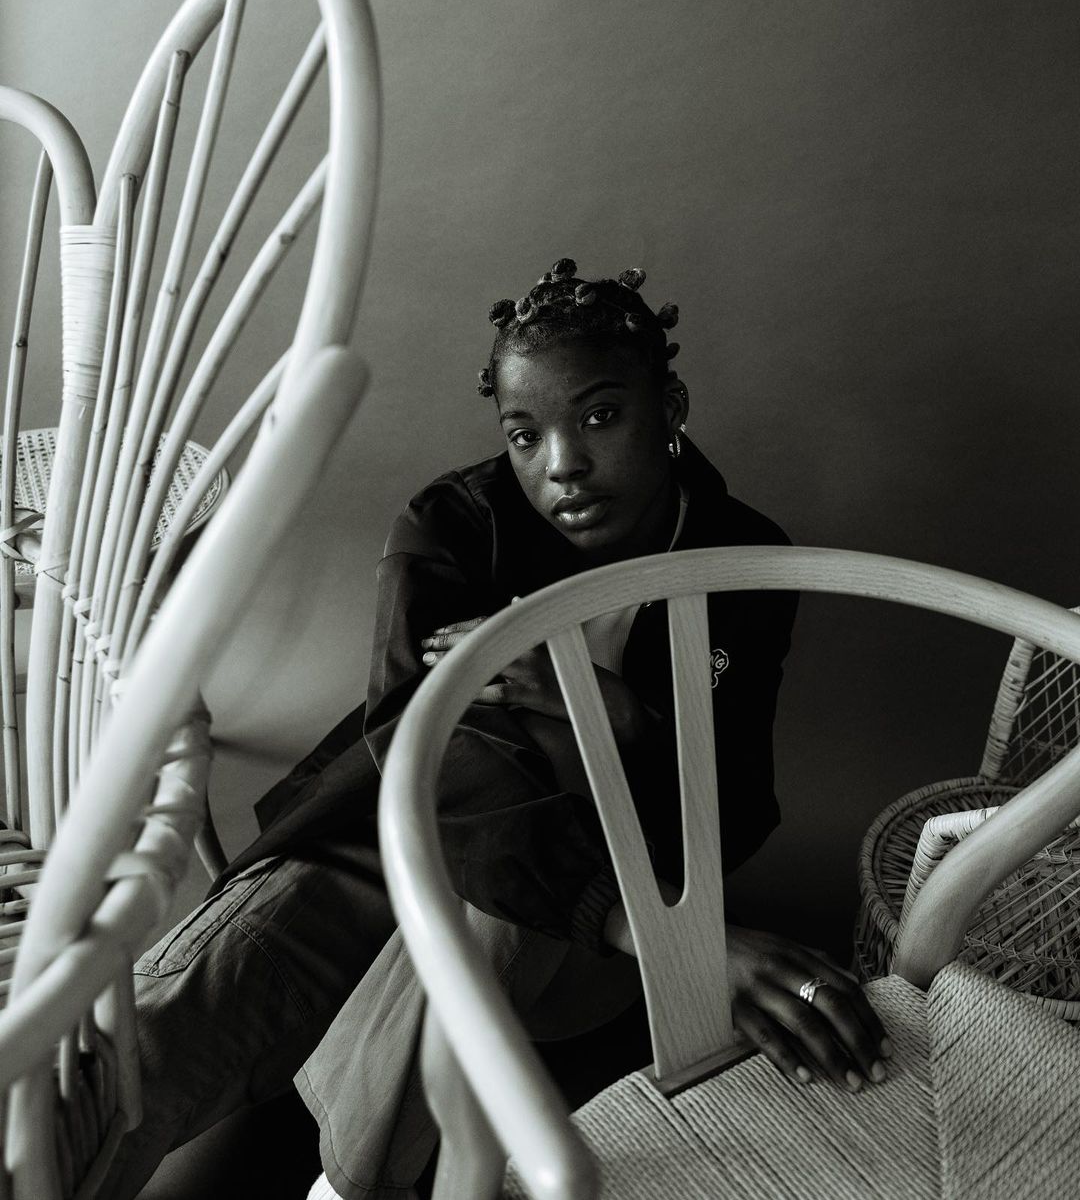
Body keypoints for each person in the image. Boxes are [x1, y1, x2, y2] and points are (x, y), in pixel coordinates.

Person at [100, 259, 890, 1200]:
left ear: (670, 405)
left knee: (513, 885)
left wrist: (600, 704)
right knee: (132, 1057)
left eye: (600, 416)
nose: (563, 465)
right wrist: (671, 937)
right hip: (381, 848)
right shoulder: (454, 525)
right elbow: (422, 756)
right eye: (525, 435)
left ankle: (348, 1185)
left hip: (580, 925)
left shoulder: (745, 560)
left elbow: (736, 806)